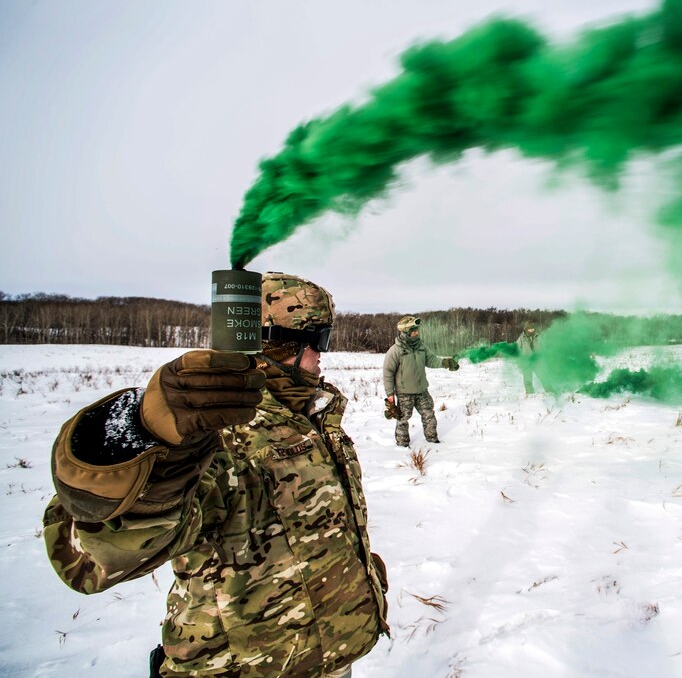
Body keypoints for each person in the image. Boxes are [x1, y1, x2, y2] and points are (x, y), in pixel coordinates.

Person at [42, 272, 389, 677]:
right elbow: (97, 551)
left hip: (326, 655)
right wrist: (144, 443)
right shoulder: (222, 435)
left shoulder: (310, 415)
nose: (322, 356)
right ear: (285, 344)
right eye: (322, 340)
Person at [383, 316, 459, 447]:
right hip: (404, 393)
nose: (417, 332)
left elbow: (432, 360)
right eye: (414, 330)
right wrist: (390, 395)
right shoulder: (395, 350)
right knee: (402, 419)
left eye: (417, 330)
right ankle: (402, 444)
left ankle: (432, 440)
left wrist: (446, 362)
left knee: (429, 415)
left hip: (422, 391)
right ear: (406, 332)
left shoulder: (421, 347)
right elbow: (388, 373)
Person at [516, 321, 544, 394]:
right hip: (526, 362)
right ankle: (530, 394)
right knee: (527, 379)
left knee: (544, 376)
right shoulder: (521, 338)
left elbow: (543, 348)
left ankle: (550, 391)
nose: (531, 330)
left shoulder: (537, 336)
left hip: (536, 361)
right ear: (526, 329)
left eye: (533, 329)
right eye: (530, 329)